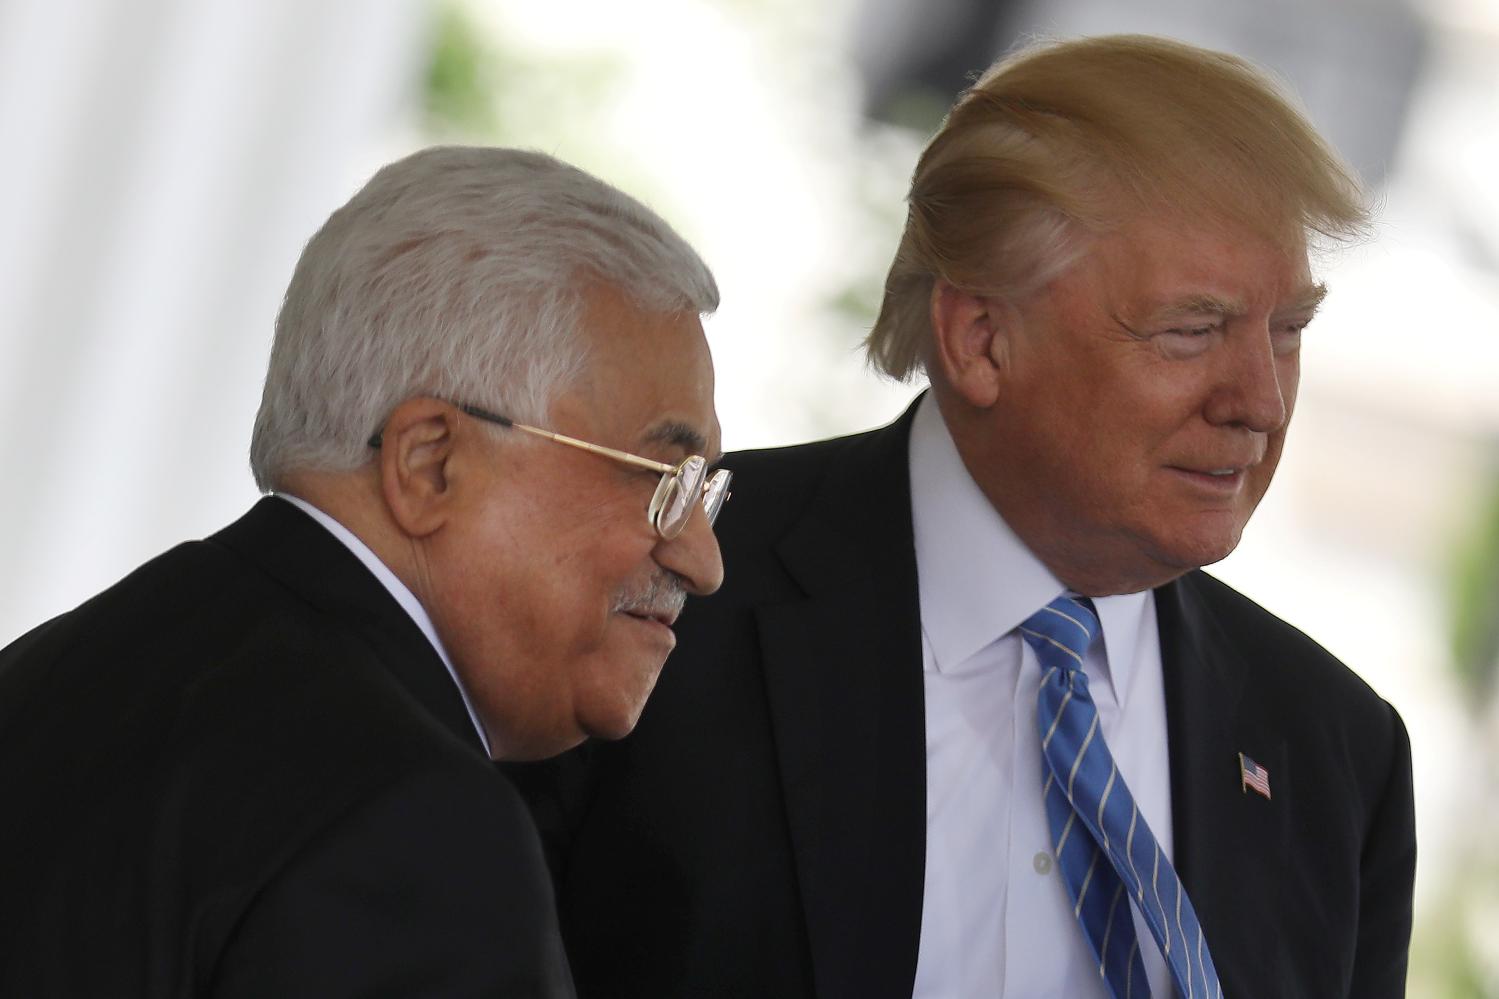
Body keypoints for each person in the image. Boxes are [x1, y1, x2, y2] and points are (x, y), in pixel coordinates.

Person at [513, 35, 1415, 998]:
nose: (1260, 402)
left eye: (1287, 335)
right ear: (980, 339)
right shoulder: (654, 586)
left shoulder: (1336, 754)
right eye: (1191, 331)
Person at [0, 145, 728, 997]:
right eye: (663, 478)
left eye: (707, 492)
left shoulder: (53, 670)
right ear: (429, 464)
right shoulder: (412, 820)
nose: (702, 560)